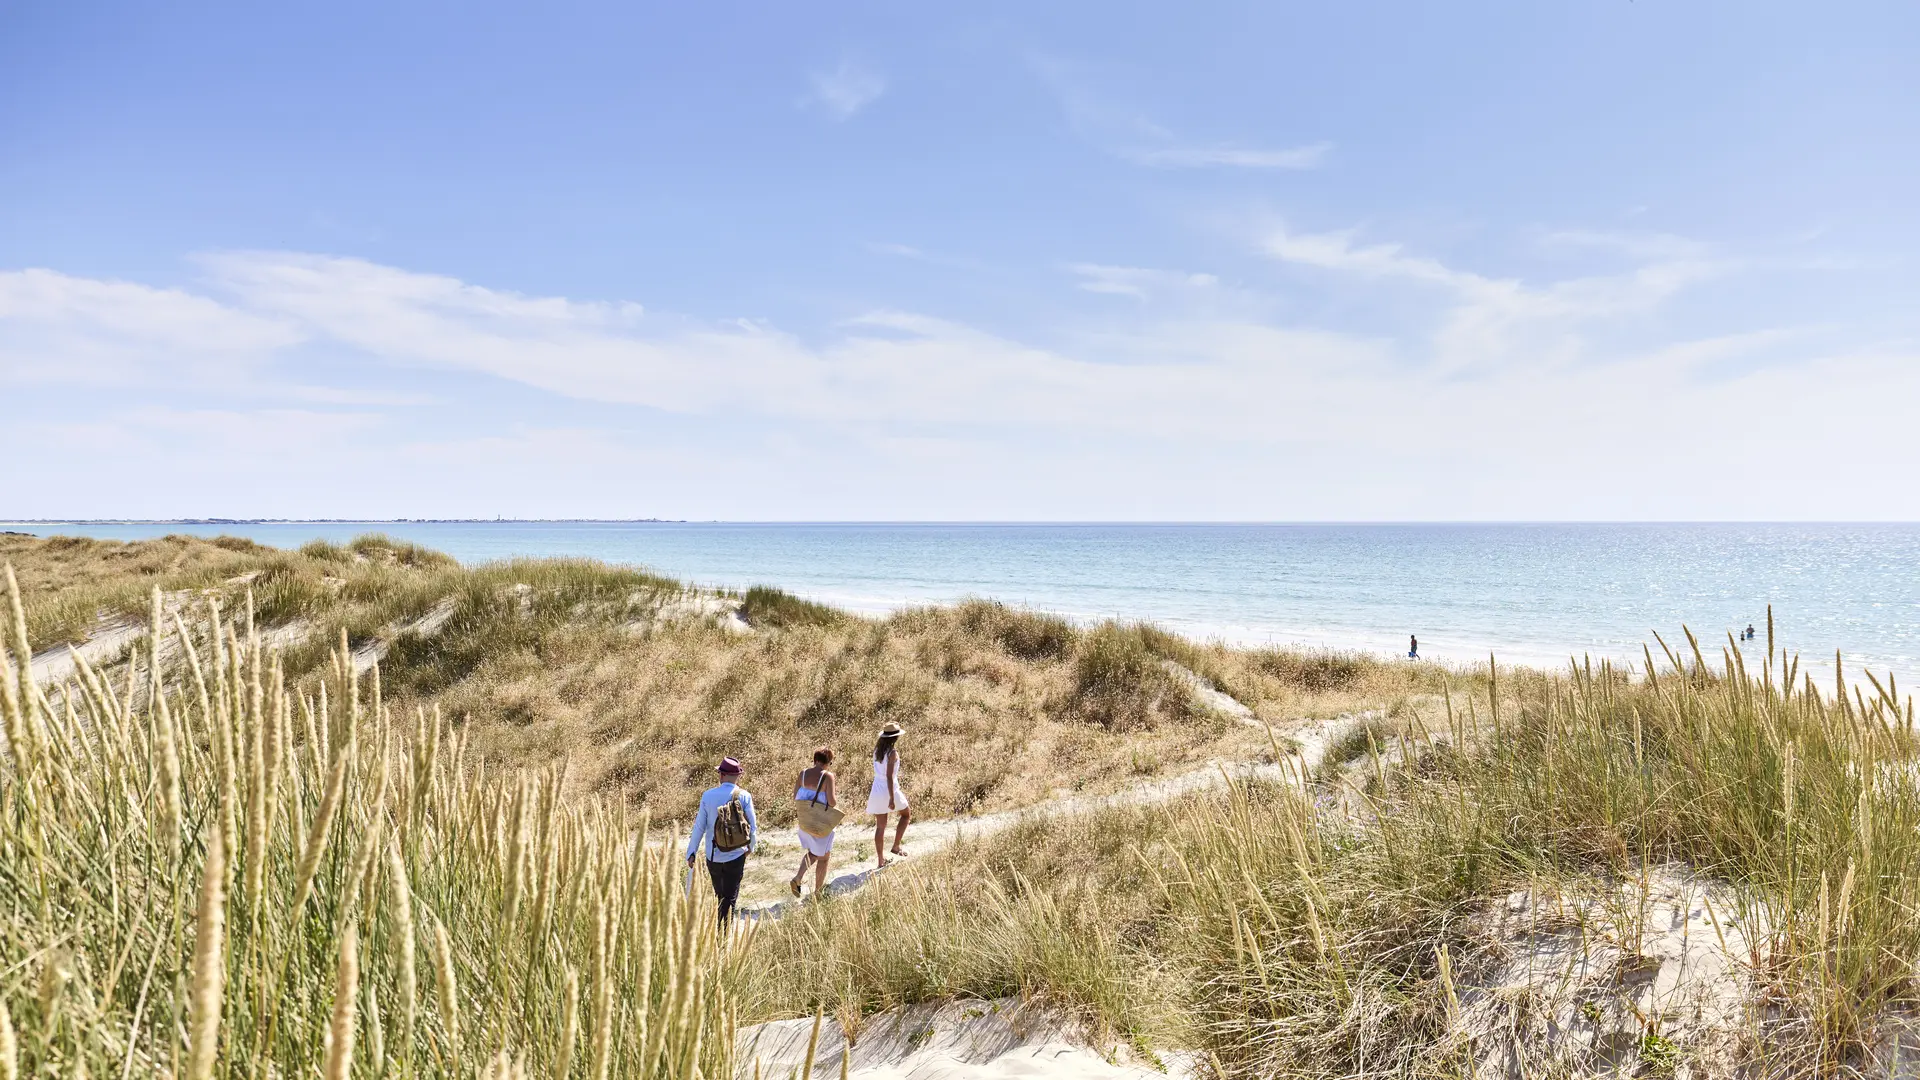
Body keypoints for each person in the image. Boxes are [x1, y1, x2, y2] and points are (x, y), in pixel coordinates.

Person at [686, 756, 758, 925]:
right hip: (736, 854)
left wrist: (692, 852)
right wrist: (750, 848)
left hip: (713, 856)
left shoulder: (708, 796)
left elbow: (699, 827)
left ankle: (720, 934)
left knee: (720, 896)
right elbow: (753, 826)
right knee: (731, 897)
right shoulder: (745, 796)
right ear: (738, 776)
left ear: (721, 775)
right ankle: (723, 937)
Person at [790, 746, 838, 898]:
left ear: (815, 759)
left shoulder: (803, 774)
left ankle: (798, 878)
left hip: (805, 821)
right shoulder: (827, 776)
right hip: (821, 822)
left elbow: (795, 796)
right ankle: (818, 892)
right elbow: (832, 802)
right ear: (828, 762)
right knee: (824, 858)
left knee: (813, 853)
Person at [868, 721, 910, 867]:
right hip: (889, 788)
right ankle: (896, 846)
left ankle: (880, 860)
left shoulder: (877, 751)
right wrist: (892, 798)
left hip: (877, 789)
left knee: (880, 826)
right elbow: (889, 776)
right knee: (906, 814)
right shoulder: (892, 753)